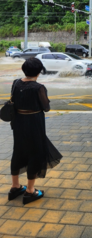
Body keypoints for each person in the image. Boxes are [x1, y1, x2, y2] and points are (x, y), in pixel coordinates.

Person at [8, 58, 62, 205]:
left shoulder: (15, 83)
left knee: (18, 151)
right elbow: (46, 107)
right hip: (33, 123)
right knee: (35, 152)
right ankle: (30, 191)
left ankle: (15, 187)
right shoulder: (38, 88)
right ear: (39, 72)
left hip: (18, 123)